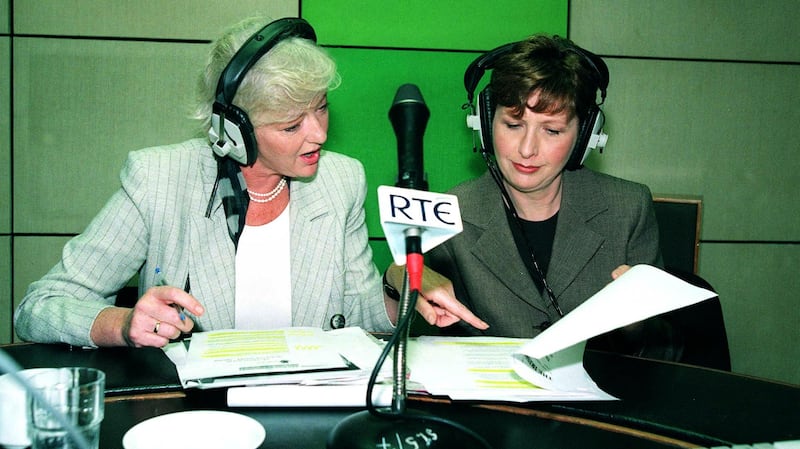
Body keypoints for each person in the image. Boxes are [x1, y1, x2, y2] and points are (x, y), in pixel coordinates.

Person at [14, 16, 485, 348]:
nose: (318, 133)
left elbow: (356, 317)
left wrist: (398, 283)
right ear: (232, 130)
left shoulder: (340, 179)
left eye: (320, 107)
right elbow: (40, 305)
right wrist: (122, 324)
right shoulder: (158, 179)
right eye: (290, 124)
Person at [385, 34, 664, 340]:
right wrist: (396, 275)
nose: (527, 149)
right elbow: (426, 333)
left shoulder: (628, 207)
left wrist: (636, 323)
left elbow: (659, 344)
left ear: (584, 137)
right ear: (485, 124)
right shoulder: (451, 212)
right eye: (513, 125)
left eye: (552, 130)